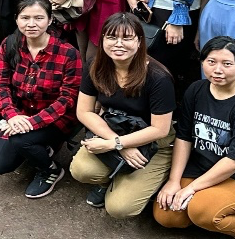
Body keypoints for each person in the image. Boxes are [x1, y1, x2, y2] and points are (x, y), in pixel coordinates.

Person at [154, 36, 235, 239]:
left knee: (201, 210)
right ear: (202, 62)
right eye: (211, 62)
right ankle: (210, 211)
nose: (217, 70)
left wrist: (192, 189)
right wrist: (174, 181)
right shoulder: (196, 90)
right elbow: (184, 137)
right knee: (167, 215)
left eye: (227, 64)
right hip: (204, 166)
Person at [69, 13, 176, 217]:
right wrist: (118, 143)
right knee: (81, 170)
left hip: (153, 141)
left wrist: (115, 145)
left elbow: (160, 129)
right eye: (111, 37)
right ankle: (113, 178)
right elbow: (83, 112)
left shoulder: (157, 77)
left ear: (139, 42)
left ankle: (148, 179)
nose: (118, 44)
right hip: (116, 128)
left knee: (120, 208)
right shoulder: (95, 65)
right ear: (102, 40)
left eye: (127, 38)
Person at [0, 0, 82, 198]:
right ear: (16, 19)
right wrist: (12, 115)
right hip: (20, 115)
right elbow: (1, 83)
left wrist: (31, 123)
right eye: (25, 17)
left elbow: (68, 98)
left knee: (22, 141)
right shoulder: (9, 44)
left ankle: (51, 170)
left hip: (56, 118)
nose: (31, 24)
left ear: (50, 20)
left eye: (39, 18)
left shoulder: (68, 53)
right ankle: (38, 147)